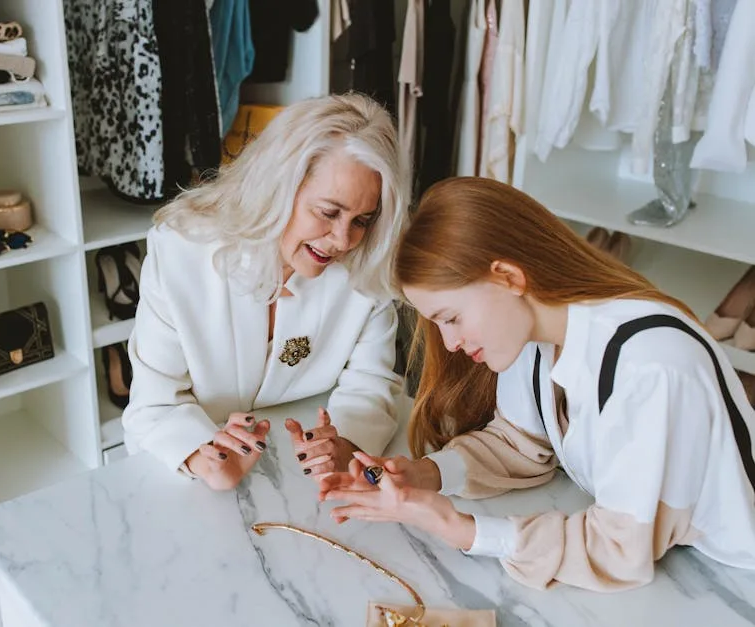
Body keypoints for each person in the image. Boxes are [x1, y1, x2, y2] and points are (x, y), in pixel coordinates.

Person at [321, 177, 755, 591]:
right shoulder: (533, 338)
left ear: (508, 277)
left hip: (734, 574)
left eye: (451, 319)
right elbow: (520, 444)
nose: (450, 344)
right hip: (691, 570)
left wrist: (460, 529)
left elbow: (619, 548)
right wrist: (425, 474)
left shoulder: (650, 366)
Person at [122, 93, 408, 491]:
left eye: (362, 219)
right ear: (277, 187)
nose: (343, 239)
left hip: (301, 480)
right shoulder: (181, 251)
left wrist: (344, 443)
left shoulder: (366, 265)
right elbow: (153, 402)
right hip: (185, 487)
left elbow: (373, 382)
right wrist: (201, 457)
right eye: (328, 212)